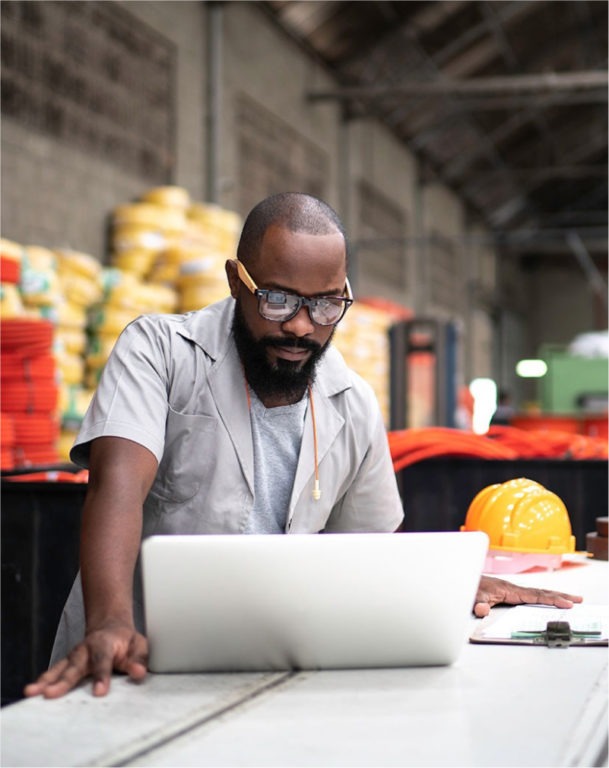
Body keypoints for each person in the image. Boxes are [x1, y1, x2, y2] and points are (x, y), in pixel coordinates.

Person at [25, 192, 582, 700]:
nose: (301, 327)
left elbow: (366, 554)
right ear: (235, 280)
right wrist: (109, 624)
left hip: (267, 675)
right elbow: (117, 489)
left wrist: (446, 584)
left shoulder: (352, 403)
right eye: (277, 301)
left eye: (324, 306)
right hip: (130, 664)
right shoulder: (160, 353)